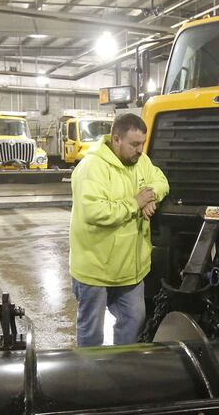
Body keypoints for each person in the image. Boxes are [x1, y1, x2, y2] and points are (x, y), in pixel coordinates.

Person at [69, 113, 169, 347]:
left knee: (134, 321)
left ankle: (124, 366)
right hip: (96, 270)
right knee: (91, 334)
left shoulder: (140, 161)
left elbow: (161, 181)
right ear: (116, 140)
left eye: (142, 143)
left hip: (130, 269)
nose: (140, 150)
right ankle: (89, 369)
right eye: (134, 144)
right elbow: (95, 212)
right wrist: (135, 203)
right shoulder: (92, 168)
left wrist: (151, 196)